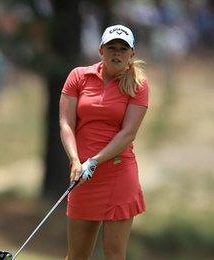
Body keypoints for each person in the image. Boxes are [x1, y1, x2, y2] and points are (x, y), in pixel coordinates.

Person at [59, 24, 149, 260]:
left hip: (118, 174)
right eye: (111, 47)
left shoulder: (138, 84)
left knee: (114, 255)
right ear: (101, 50)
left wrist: (95, 161)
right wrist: (76, 161)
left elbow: (128, 134)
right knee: (77, 255)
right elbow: (66, 125)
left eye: (122, 48)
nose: (116, 53)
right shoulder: (79, 76)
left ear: (132, 54)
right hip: (82, 175)